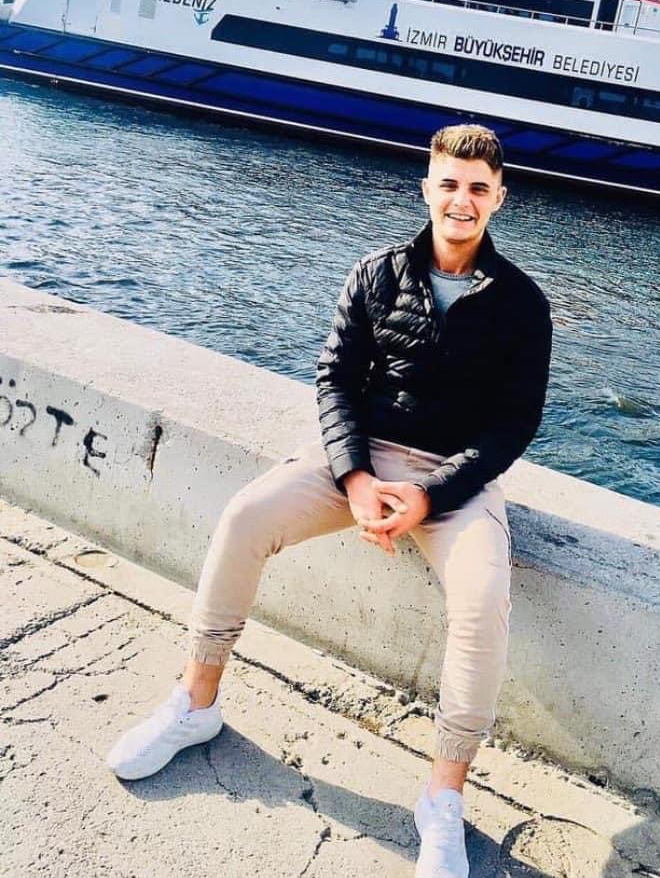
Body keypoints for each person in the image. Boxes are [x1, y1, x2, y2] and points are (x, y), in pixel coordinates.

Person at [106, 124, 553, 878]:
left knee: (482, 598)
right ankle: (196, 702)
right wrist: (356, 478)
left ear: (499, 198)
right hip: (360, 459)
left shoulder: (523, 305)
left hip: (451, 479)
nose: (462, 200)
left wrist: (429, 494)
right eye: (449, 183)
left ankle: (442, 797)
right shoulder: (375, 273)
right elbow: (335, 380)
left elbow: (515, 425)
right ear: (427, 188)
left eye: (479, 188)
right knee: (245, 517)